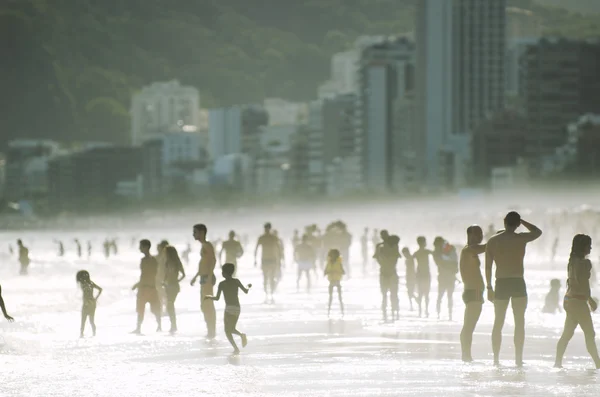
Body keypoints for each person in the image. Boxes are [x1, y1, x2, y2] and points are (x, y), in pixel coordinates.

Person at [485, 211, 542, 366]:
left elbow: (488, 267)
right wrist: (521, 221)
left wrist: (489, 287)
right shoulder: (521, 238)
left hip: (501, 282)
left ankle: (496, 359)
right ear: (517, 224)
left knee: (498, 322)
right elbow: (538, 232)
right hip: (517, 282)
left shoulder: (493, 240)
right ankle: (518, 359)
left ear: (504, 222)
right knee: (519, 322)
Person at [554, 234, 600, 369]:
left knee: (567, 333)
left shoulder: (572, 261)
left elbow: (574, 282)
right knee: (589, 333)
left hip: (569, 300)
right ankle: (598, 364)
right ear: (582, 247)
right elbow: (583, 284)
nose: (590, 248)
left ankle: (557, 363)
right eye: (588, 245)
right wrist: (590, 300)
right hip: (579, 302)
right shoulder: (584, 263)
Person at [204, 263, 251, 354]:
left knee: (227, 330)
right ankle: (241, 336)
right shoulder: (236, 281)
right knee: (232, 328)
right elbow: (245, 291)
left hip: (229, 309)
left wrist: (209, 297)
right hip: (237, 308)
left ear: (224, 273)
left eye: (222, 271)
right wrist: (248, 286)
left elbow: (217, 298)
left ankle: (237, 347)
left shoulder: (222, 284)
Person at [459, 225, 486, 362]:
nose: (481, 236)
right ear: (470, 235)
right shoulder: (469, 250)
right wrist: (499, 239)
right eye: (477, 233)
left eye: (481, 233)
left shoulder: (470, 250)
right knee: (469, 326)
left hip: (472, 291)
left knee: (468, 326)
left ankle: (466, 355)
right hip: (473, 291)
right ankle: (466, 356)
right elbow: (486, 248)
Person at [190, 224, 217, 339]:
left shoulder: (207, 245)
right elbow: (205, 262)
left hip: (207, 278)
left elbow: (213, 260)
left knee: (207, 305)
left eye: (195, 232)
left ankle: (211, 331)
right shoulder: (204, 246)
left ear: (201, 232)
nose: (193, 234)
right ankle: (210, 330)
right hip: (203, 277)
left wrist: (210, 276)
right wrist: (196, 276)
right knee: (204, 305)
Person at [131, 239, 162, 334]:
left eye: (141, 246)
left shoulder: (149, 260)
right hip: (149, 287)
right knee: (148, 308)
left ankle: (157, 326)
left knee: (147, 308)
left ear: (146, 247)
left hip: (146, 287)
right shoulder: (151, 260)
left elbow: (147, 274)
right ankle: (157, 326)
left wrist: (138, 284)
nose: (139, 248)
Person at [374, 232, 401, 321]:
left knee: (386, 295)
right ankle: (393, 313)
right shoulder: (392, 248)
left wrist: (382, 263)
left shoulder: (382, 248)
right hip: (390, 273)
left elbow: (378, 259)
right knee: (390, 295)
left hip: (386, 273)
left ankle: (389, 313)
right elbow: (394, 260)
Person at [433, 237, 459, 321]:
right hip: (448, 276)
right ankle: (445, 314)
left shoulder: (441, 251)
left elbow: (441, 264)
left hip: (445, 276)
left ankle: (441, 314)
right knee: (446, 296)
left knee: (442, 296)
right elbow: (454, 265)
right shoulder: (444, 251)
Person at [254, 223, 281, 303]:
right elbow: (256, 248)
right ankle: (268, 294)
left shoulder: (270, 238)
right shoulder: (270, 238)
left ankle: (270, 294)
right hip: (268, 259)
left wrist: (280, 260)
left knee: (270, 277)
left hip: (270, 259)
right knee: (266, 278)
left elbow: (279, 249)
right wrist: (255, 259)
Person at [163, 245, 186, 333]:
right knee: (169, 305)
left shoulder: (177, 262)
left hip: (174, 286)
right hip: (168, 286)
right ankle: (173, 324)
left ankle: (174, 325)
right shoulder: (167, 262)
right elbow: (166, 275)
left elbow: (183, 274)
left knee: (170, 304)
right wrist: (164, 282)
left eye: (166, 252)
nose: (165, 254)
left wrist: (177, 281)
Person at [76, 270, 102, 338]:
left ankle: (82, 334)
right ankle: (94, 334)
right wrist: (95, 298)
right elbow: (100, 289)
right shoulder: (91, 283)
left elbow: (86, 294)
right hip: (92, 303)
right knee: (91, 320)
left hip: (86, 304)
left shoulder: (83, 284)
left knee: (83, 320)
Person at [413, 236, 433, 318]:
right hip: (425, 274)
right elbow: (437, 255)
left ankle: (420, 311)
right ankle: (426, 311)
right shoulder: (427, 252)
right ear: (423, 243)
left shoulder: (416, 253)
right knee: (426, 293)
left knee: (420, 293)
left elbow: (410, 260)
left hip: (419, 274)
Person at [325, 249, 345, 317]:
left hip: (337, 281)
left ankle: (342, 312)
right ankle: (328, 312)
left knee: (340, 298)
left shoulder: (339, 263)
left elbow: (343, 272)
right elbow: (325, 272)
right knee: (330, 297)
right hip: (331, 281)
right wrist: (329, 272)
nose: (333, 256)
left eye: (334, 255)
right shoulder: (329, 263)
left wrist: (336, 272)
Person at [155, 240, 169, 314]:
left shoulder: (167, 258)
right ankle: (161, 312)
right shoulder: (157, 257)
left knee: (165, 297)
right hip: (159, 279)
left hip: (164, 279)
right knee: (161, 297)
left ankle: (164, 311)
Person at [402, 247, 417, 311]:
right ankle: (412, 305)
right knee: (410, 292)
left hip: (411, 277)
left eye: (404, 254)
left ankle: (416, 301)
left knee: (410, 292)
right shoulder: (409, 259)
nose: (404, 255)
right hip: (409, 277)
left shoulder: (410, 259)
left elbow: (411, 269)